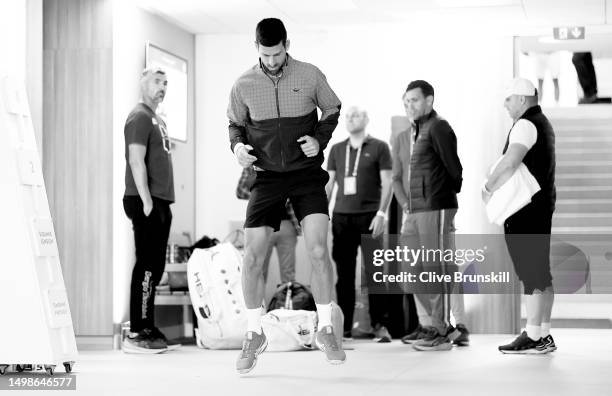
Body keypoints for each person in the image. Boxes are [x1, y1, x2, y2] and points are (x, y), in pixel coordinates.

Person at [227, 18, 345, 374]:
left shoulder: (309, 75)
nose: (273, 60)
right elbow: (234, 123)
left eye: (277, 53)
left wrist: (319, 141)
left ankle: (325, 328)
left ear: (287, 45)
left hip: (306, 176)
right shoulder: (243, 84)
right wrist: (237, 148)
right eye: (266, 54)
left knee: (318, 249)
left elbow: (333, 108)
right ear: (257, 48)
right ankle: (253, 333)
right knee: (252, 258)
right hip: (266, 179)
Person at [391, 80, 468, 351]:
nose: (409, 105)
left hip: (436, 207)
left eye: (414, 100)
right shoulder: (417, 130)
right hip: (416, 210)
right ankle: (429, 324)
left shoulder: (438, 126)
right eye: (406, 101)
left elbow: (454, 169)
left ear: (429, 100)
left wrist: (442, 198)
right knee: (410, 269)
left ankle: (441, 329)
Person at [483, 78, 557, 354]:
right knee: (542, 275)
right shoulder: (544, 123)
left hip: (524, 210)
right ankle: (543, 334)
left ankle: (534, 336)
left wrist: (488, 186)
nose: (505, 104)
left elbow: (512, 160)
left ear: (522, 99)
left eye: (508, 99)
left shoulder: (525, 124)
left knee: (531, 275)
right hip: (540, 207)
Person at [325, 106, 393, 343]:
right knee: (343, 274)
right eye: (348, 116)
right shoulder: (336, 149)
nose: (350, 119)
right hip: (342, 218)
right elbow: (330, 184)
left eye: (355, 115)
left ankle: (380, 324)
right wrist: (321, 213)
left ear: (366, 119)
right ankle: (342, 327)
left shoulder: (379, 147)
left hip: (369, 217)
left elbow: (388, 183)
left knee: (374, 272)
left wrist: (382, 214)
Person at [122, 68, 175, 353]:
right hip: (146, 200)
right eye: (156, 81)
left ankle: (148, 326)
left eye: (165, 83)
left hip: (161, 200)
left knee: (155, 267)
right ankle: (138, 331)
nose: (162, 87)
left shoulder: (158, 119)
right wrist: (146, 201)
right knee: (146, 265)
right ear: (142, 83)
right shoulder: (139, 116)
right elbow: (135, 160)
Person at [236, 166, 299, 284]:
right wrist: (264, 197)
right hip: (262, 225)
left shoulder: (289, 162)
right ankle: (259, 303)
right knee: (258, 272)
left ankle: (286, 302)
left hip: (285, 225)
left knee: (288, 276)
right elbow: (240, 192)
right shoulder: (251, 164)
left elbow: (298, 193)